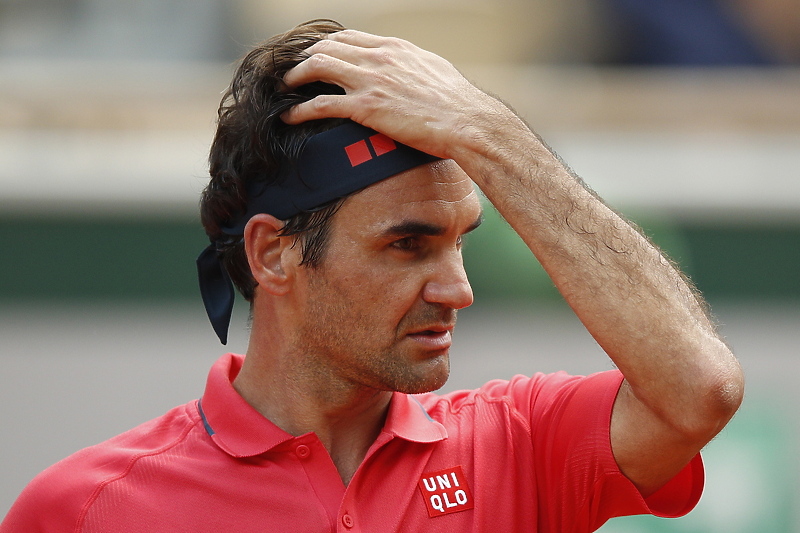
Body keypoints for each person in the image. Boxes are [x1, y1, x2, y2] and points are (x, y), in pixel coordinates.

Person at [1, 19, 743, 532]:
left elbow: (700, 387)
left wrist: (490, 133)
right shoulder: (82, 510)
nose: (457, 287)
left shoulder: (518, 442)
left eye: (460, 241)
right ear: (273, 253)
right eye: (408, 244)